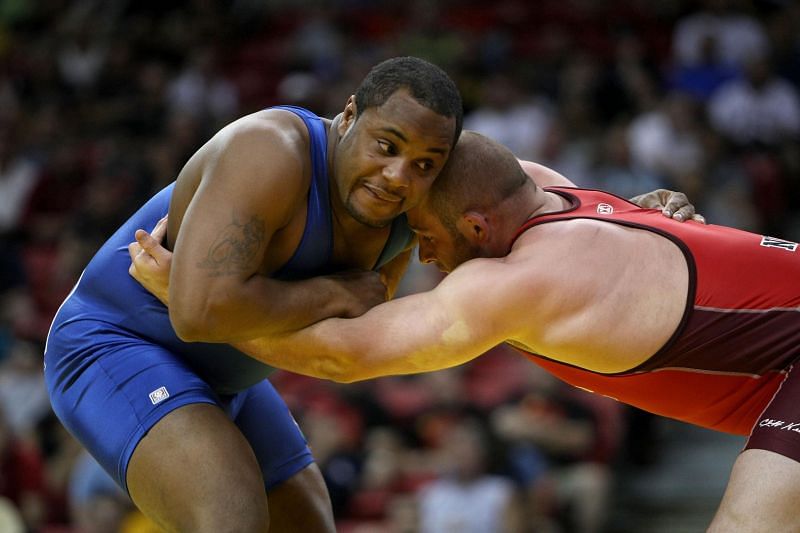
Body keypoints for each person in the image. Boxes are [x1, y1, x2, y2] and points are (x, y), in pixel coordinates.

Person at [132, 130, 800, 531]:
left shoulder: (518, 281)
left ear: (477, 227)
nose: (420, 255)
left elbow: (343, 357)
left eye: (423, 236)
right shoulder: (552, 192)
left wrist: (203, 302)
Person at [44, 56, 464, 532]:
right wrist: (331, 294)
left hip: (229, 373)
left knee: (308, 525)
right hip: (117, 342)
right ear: (348, 116)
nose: (398, 176)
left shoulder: (408, 215)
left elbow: (342, 355)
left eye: (425, 164)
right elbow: (199, 315)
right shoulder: (269, 151)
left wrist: (229, 312)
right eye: (386, 146)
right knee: (230, 518)